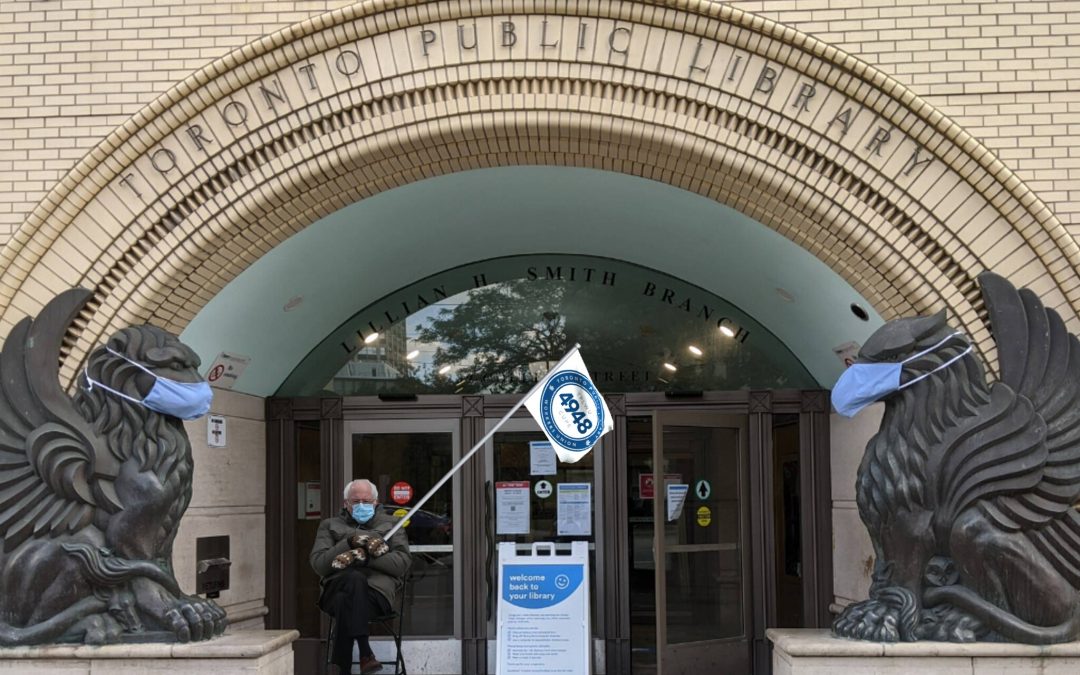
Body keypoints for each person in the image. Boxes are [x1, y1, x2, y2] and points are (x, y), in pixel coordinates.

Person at [311, 479, 411, 674]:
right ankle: (365, 652)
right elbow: (320, 564)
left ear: (375, 502)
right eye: (356, 502)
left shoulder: (391, 524)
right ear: (345, 504)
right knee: (352, 581)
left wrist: (363, 558)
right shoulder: (329, 525)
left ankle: (344, 669)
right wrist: (348, 543)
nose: (361, 505)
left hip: (376, 595)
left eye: (366, 501)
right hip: (335, 588)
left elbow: (401, 564)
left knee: (345, 599)